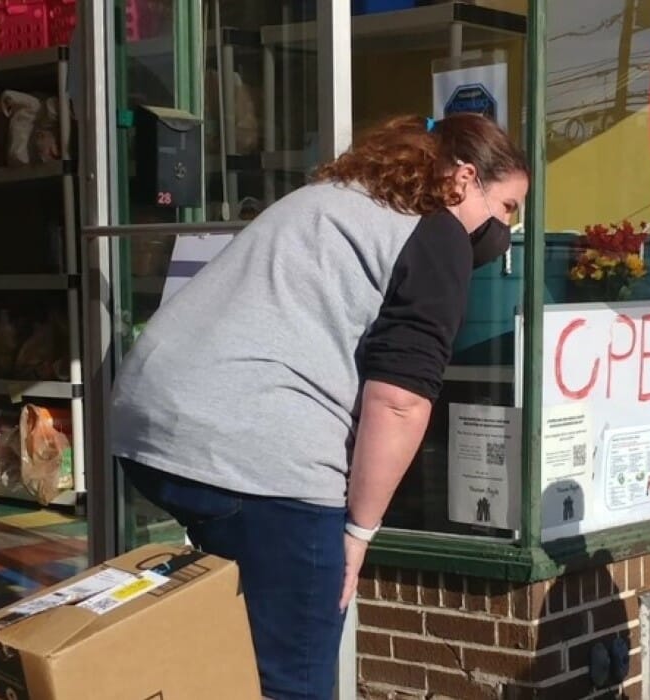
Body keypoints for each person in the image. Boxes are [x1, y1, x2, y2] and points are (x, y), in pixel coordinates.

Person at [109, 113, 529, 700]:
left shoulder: (337, 197)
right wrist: (356, 534)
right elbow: (400, 402)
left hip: (149, 424)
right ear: (462, 179)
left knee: (231, 649)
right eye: (507, 207)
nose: (506, 228)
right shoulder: (437, 235)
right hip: (257, 447)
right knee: (293, 679)